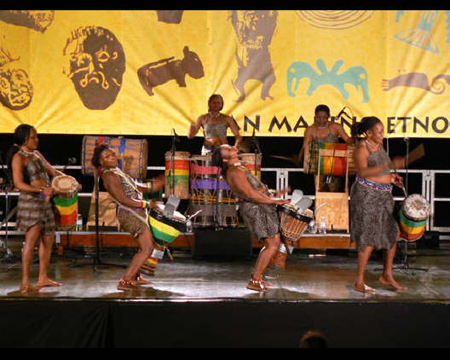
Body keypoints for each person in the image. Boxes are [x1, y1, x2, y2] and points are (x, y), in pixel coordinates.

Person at [212, 144, 289, 292]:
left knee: (272, 243)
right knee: (272, 244)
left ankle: (257, 278)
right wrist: (273, 201)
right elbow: (250, 194)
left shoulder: (238, 168)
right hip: (254, 209)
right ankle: (254, 280)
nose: (232, 148)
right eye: (228, 149)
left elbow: (255, 191)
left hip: (259, 206)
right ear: (225, 159)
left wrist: (272, 196)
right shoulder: (234, 171)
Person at [92, 144, 165, 291]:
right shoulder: (109, 175)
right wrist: (146, 204)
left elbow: (138, 187)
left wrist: (161, 180)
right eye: (107, 156)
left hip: (135, 212)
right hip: (130, 214)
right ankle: (126, 280)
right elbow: (123, 199)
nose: (112, 157)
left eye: (112, 154)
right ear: (101, 162)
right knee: (147, 248)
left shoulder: (117, 171)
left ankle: (136, 277)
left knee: (145, 247)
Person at [350, 116, 407, 293]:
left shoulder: (379, 146)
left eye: (383, 131)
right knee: (368, 236)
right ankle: (359, 281)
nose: (382, 134)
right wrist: (387, 166)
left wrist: (391, 177)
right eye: (379, 131)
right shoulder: (361, 149)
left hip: (383, 196)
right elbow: (364, 171)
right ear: (368, 133)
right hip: (366, 196)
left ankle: (386, 275)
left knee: (393, 232)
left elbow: (382, 169)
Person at [7, 124, 65, 293]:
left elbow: (53, 172)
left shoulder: (36, 154)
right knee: (31, 241)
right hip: (31, 202)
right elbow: (18, 184)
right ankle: (25, 281)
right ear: (25, 139)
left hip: (45, 201)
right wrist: (40, 190)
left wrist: (70, 180)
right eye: (33, 137)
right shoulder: (19, 157)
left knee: (48, 240)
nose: (36, 140)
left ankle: (43, 278)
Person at [298, 104, 353, 192]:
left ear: (328, 116)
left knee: (334, 189)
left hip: (335, 164)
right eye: (318, 117)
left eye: (324, 117)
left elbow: (347, 139)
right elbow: (306, 145)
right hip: (318, 163)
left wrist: (353, 138)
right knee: (319, 189)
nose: (321, 120)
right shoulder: (310, 130)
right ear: (315, 117)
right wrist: (304, 162)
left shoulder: (336, 127)